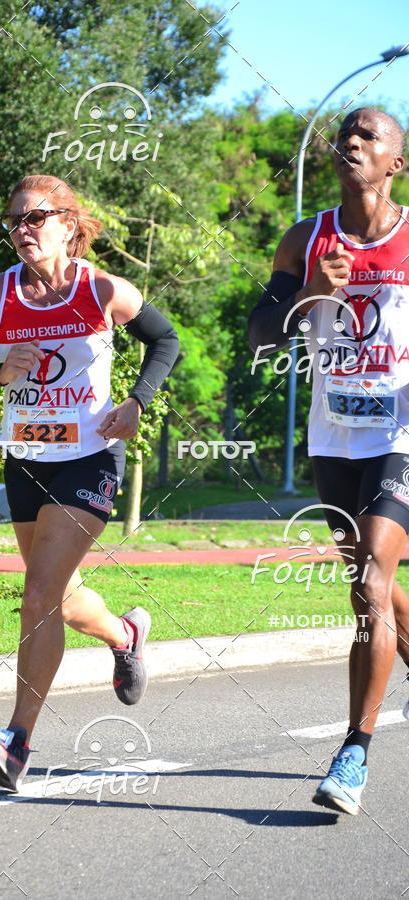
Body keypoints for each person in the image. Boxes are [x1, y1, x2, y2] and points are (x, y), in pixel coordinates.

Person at [0, 174, 179, 791]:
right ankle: (126, 633)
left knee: (39, 590)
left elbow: (165, 340)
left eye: (36, 217)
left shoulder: (100, 288)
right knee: (61, 596)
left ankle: (16, 740)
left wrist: (135, 402)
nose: (23, 228)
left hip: (88, 461)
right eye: (15, 219)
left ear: (68, 225)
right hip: (25, 460)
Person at [248, 108, 408, 815]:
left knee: (369, 586)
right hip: (334, 440)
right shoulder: (304, 239)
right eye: (344, 135)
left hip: (402, 436)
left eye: (368, 136)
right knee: (374, 586)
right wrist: (313, 288)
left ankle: (354, 753)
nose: (351, 143)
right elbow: (259, 335)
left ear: (395, 163)